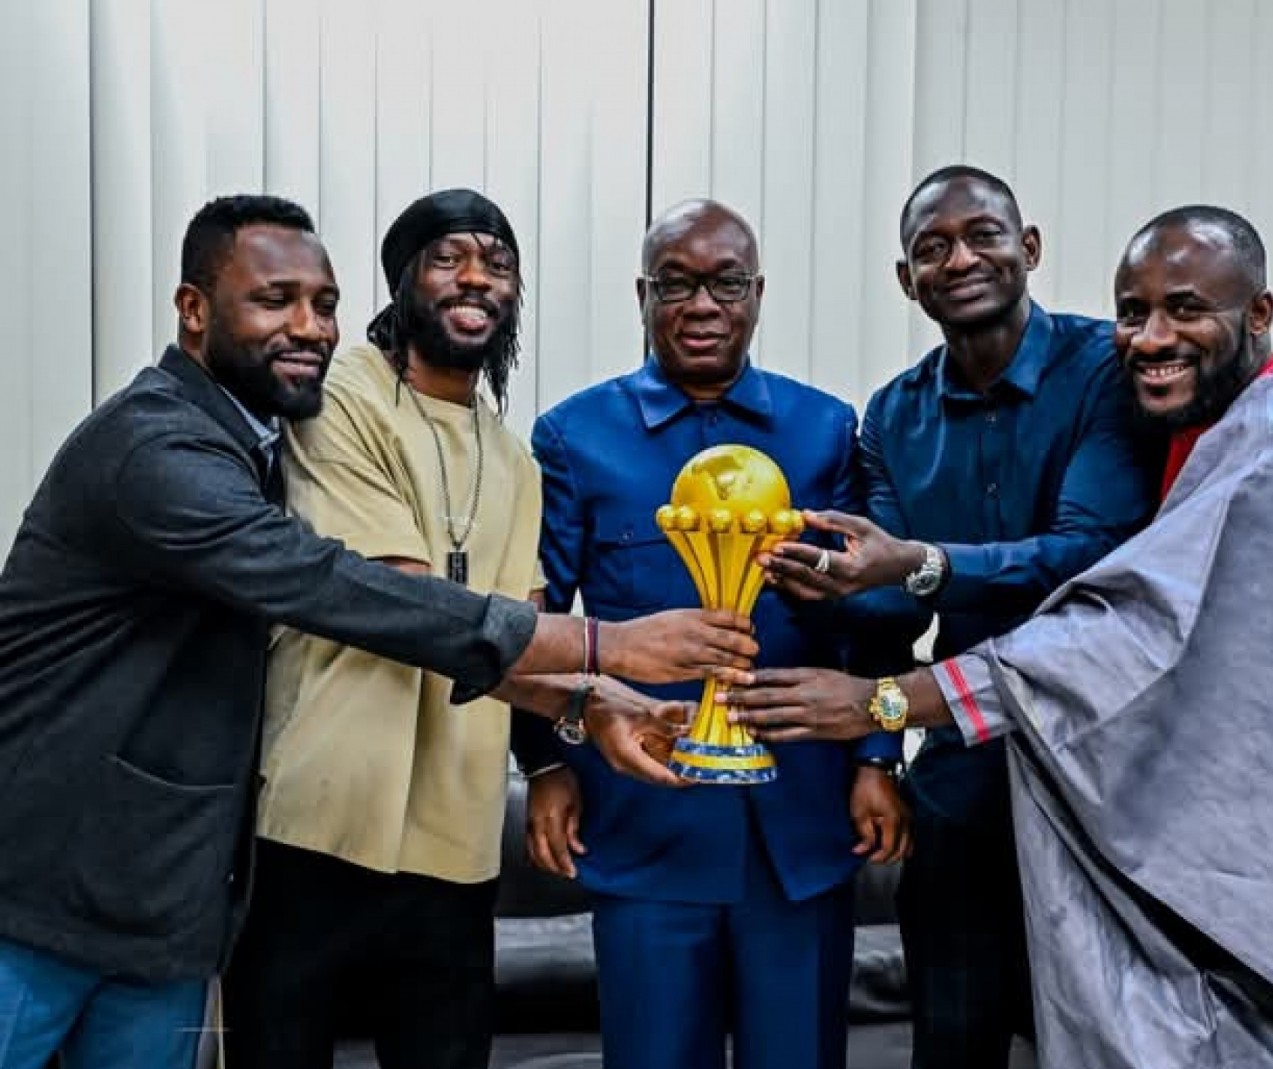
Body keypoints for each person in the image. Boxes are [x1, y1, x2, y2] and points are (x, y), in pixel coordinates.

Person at [726, 205, 1273, 1068]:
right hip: (1030, 780)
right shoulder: (913, 414)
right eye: (1135, 312)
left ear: (1260, 313)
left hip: (1247, 826)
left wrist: (884, 698)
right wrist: (808, 601)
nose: (1153, 337)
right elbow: (905, 609)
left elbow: (1122, 622)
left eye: (1186, 309)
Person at [0, 194, 757, 1069]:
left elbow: (479, 632)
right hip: (49, 882)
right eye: (275, 299)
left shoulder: (317, 443)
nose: (308, 326)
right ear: (194, 309)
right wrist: (606, 646)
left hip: (175, 895)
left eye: (322, 303)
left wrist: (581, 705)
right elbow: (358, 594)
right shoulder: (170, 446)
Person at [221, 188, 671, 1069]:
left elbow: (525, 636)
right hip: (316, 821)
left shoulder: (515, 459)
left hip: (455, 840)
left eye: (498, 264)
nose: (477, 278)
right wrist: (604, 660)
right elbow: (402, 604)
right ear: (404, 279)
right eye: (449, 258)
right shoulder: (340, 397)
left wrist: (583, 715)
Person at [759, 164, 1157, 1067]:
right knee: (952, 1031)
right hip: (963, 757)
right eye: (933, 248)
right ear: (908, 280)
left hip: (1103, 758)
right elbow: (889, 606)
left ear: (1030, 248)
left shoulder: (1105, 369)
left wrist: (921, 563)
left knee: (1106, 1034)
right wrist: (813, 582)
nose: (961, 258)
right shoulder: (892, 415)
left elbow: (1089, 552)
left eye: (983, 235)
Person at [510, 198, 910, 1069]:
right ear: (643, 296)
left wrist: (879, 758)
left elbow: (872, 608)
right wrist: (543, 762)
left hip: (800, 824)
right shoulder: (575, 436)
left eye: (726, 283)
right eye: (675, 284)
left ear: (757, 293)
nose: (701, 305)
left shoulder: (826, 429)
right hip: (649, 818)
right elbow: (534, 623)